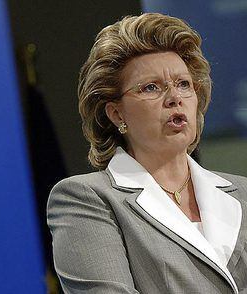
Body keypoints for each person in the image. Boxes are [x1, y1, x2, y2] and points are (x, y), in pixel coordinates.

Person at [47, 13, 247, 294]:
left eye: (183, 84)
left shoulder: (243, 193)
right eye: (151, 87)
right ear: (117, 114)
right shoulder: (88, 199)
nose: (174, 97)